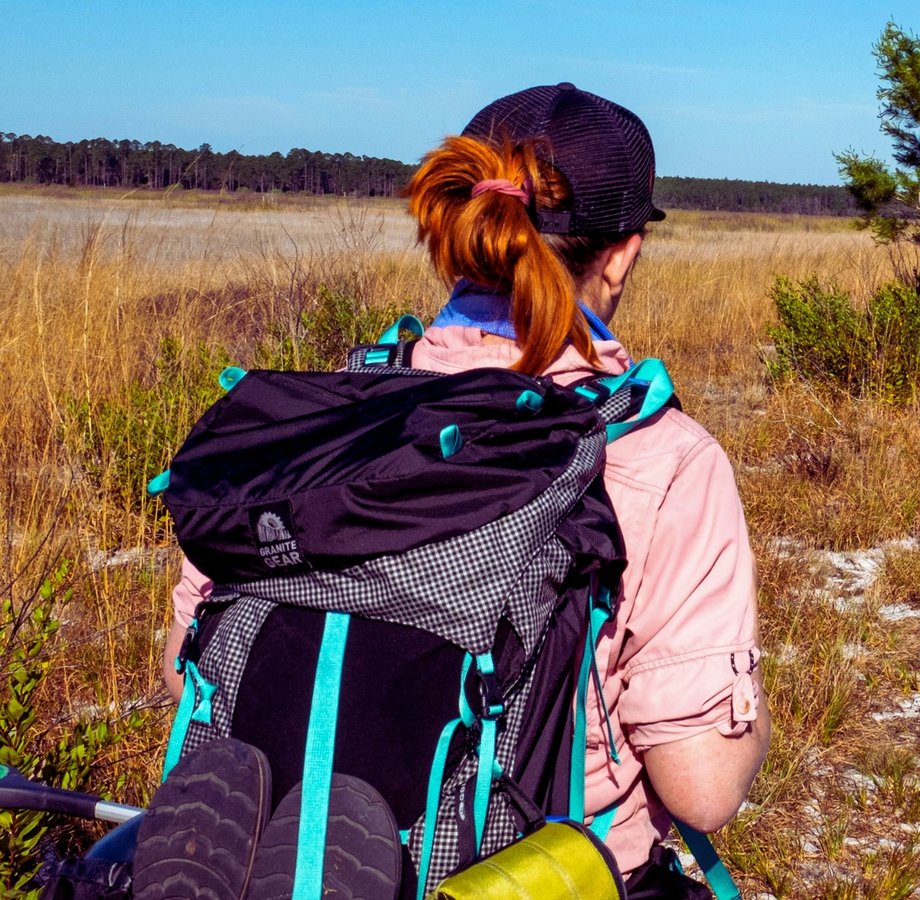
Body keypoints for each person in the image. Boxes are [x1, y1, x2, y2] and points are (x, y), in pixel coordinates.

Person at [161, 83, 771, 894]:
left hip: (269, 860)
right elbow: (703, 786)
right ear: (622, 251)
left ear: (457, 228)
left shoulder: (316, 425)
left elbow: (185, 674)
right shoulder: (659, 456)